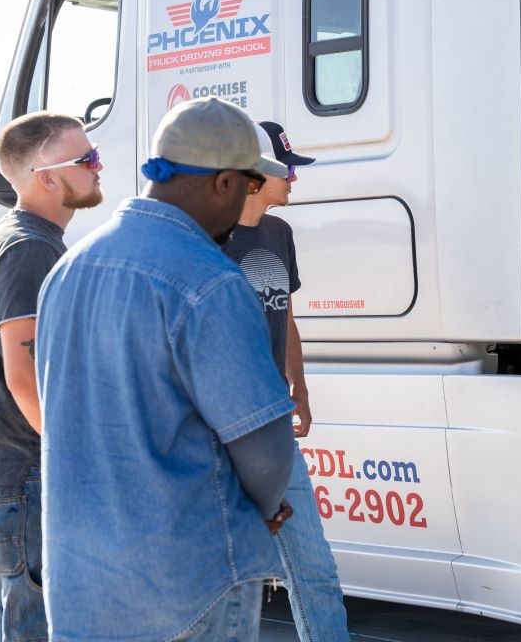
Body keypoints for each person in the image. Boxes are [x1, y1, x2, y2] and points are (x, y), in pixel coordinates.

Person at [35, 98, 297, 640]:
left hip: (82, 589)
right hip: (189, 585)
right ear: (224, 183)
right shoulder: (210, 281)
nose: (248, 201)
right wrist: (264, 508)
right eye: (250, 186)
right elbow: (266, 447)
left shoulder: (68, 269)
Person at [0, 112, 103, 642]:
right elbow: (25, 377)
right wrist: (79, 463)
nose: (98, 165)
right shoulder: (29, 247)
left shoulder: (23, 240)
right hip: (31, 479)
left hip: (18, 479)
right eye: (85, 159)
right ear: (47, 175)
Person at [222, 121, 349, 641]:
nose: (295, 179)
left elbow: (286, 316)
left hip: (275, 424)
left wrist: (300, 389)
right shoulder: (208, 238)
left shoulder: (280, 234)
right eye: (287, 169)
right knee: (226, 579)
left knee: (313, 566)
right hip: (223, 434)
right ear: (255, 174)